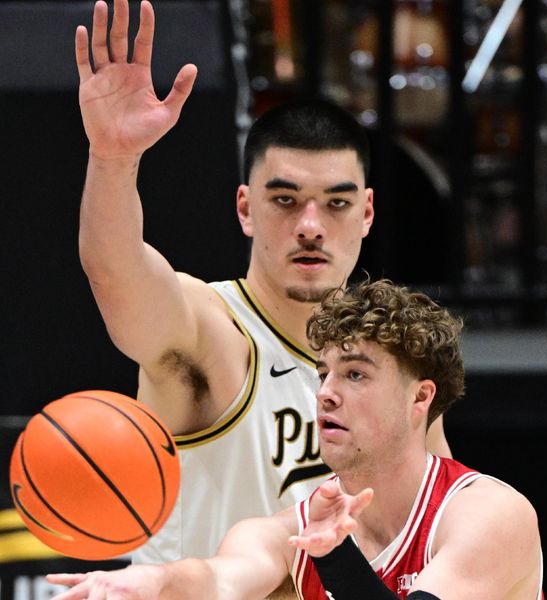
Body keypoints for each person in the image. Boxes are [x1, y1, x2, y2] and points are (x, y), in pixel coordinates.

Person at [73, 0, 450, 568]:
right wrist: (112, 159)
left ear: (368, 213)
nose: (310, 226)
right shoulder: (209, 328)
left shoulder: (396, 358)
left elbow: (437, 514)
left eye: (337, 204)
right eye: (285, 200)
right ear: (245, 209)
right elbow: (114, 268)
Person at [47, 279, 543, 600]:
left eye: (355, 375)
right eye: (324, 373)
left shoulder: (488, 514)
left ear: (420, 399)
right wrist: (153, 582)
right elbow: (220, 578)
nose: (326, 393)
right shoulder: (294, 530)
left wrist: (337, 560)